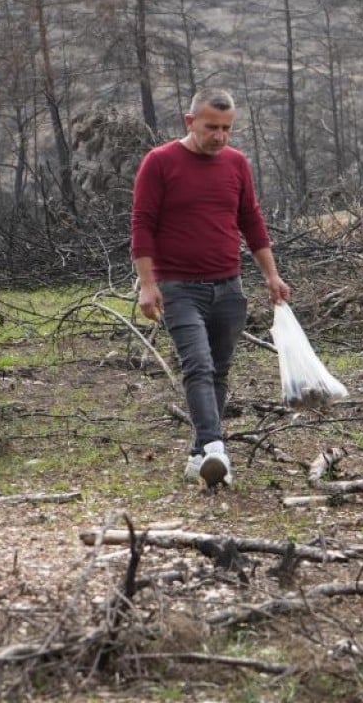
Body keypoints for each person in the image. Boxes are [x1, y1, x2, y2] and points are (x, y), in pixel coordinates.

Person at [131, 88, 290, 489]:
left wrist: (271, 276)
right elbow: (142, 225)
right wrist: (147, 285)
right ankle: (216, 447)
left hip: (228, 287)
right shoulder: (160, 162)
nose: (220, 136)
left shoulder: (236, 164)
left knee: (219, 371)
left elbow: (251, 221)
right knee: (197, 365)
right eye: (211, 127)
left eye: (227, 128)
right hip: (179, 287)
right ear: (190, 122)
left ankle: (198, 455)